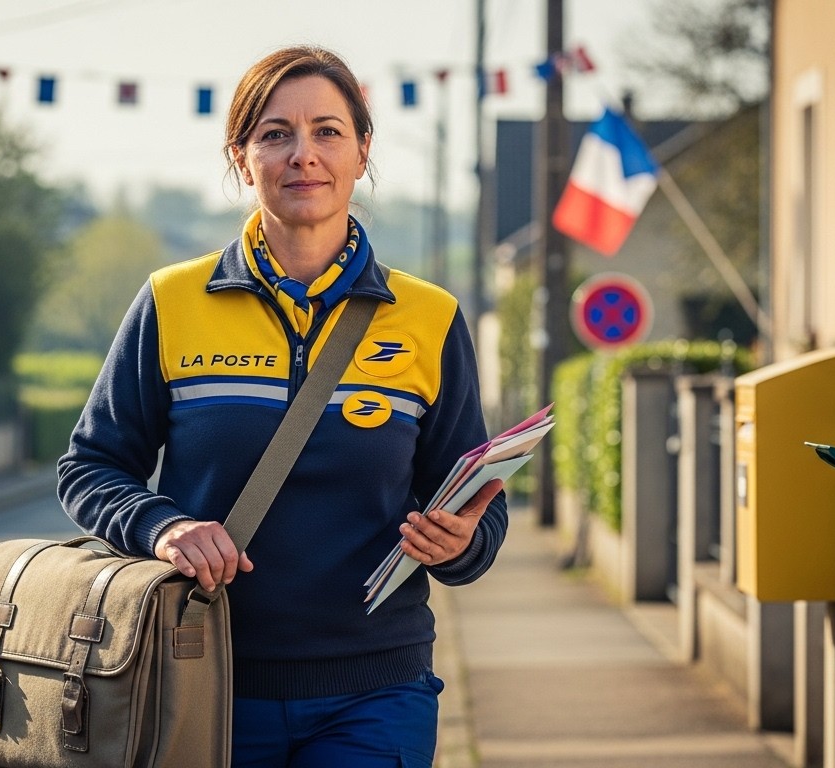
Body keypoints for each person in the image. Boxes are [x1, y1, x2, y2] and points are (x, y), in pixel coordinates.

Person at [57, 45, 508, 767]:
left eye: (328, 131)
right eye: (276, 134)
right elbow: (90, 467)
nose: (304, 154)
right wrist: (163, 526)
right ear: (241, 157)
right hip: (199, 683)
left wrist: (462, 544)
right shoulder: (171, 301)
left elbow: (478, 497)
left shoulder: (430, 317)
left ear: (362, 151)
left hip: (378, 688)